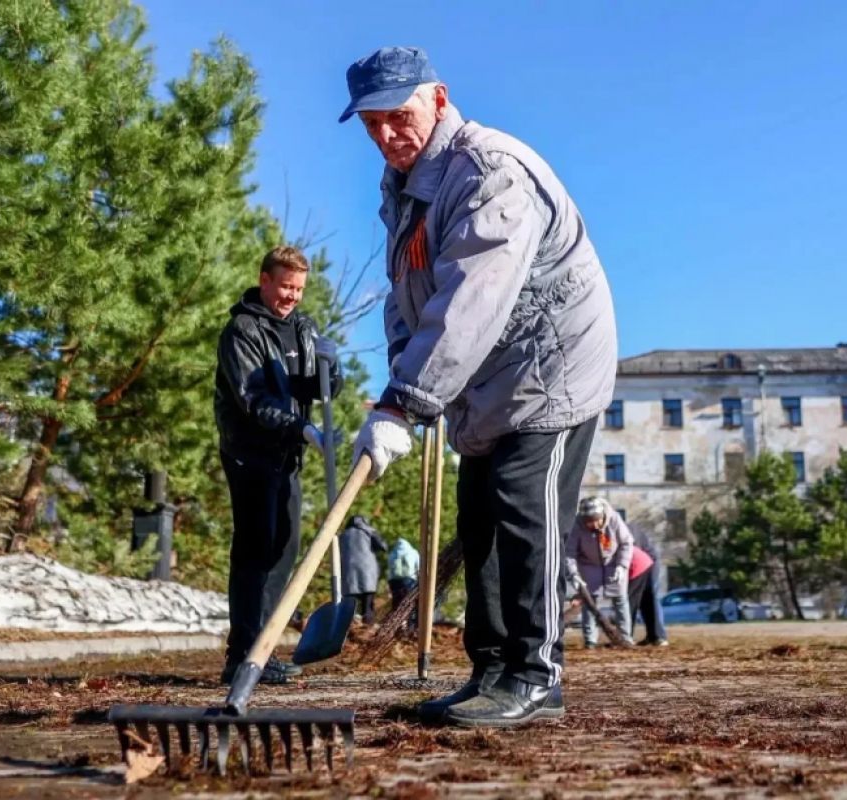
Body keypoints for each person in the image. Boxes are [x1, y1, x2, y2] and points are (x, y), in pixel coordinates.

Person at [341, 46, 617, 727]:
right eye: (371, 124)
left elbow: (472, 296)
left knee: (524, 509)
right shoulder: (404, 182)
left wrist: (407, 400)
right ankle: (491, 671)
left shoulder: (487, 172)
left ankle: (535, 674)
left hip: (549, 363)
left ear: (438, 98)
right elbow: (410, 290)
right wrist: (402, 373)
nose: (384, 136)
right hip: (486, 372)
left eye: (396, 116)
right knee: (480, 514)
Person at [214, 245, 343, 684]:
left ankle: (263, 648)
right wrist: (302, 429)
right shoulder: (242, 331)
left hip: (287, 456)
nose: (291, 296)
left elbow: (313, 388)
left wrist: (332, 368)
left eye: (299, 289)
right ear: (265, 280)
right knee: (256, 550)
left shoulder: (303, 329)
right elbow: (254, 400)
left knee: (283, 549)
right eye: (285, 286)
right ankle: (242, 656)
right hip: (250, 454)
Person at [566, 497, 634, 648]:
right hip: (588, 566)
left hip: (613, 564)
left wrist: (622, 566)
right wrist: (574, 574)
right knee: (590, 603)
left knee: (621, 601)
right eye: (588, 521)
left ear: (602, 516)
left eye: (596, 520)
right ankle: (590, 640)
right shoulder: (577, 524)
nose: (593, 524)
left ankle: (625, 638)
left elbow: (626, 543)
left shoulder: (615, 519)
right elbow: (569, 552)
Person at [339, 515, 389, 624]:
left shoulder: (342, 535)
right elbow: (383, 547)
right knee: (368, 606)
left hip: (348, 575)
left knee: (349, 607)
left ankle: (347, 631)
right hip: (367, 573)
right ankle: (367, 629)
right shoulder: (368, 532)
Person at [629, 525, 669, 646]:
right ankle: (650, 636)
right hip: (636, 565)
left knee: (650, 597)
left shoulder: (625, 530)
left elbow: (633, 554)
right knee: (639, 600)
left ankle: (658, 636)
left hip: (649, 563)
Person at [387, 537, 421, 615]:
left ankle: (396, 623)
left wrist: (389, 583)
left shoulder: (392, 553)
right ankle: (410, 623)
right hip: (409, 580)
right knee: (409, 601)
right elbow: (419, 567)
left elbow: (390, 569)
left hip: (394, 581)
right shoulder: (413, 552)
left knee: (396, 602)